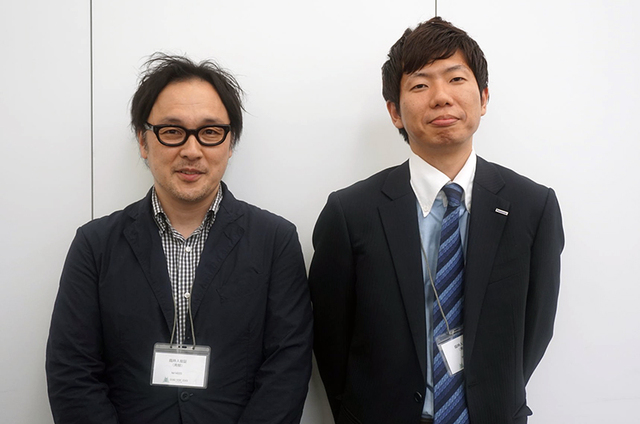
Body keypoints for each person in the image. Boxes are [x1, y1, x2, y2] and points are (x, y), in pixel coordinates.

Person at [308, 17, 564, 424]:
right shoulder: (350, 213)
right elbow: (330, 338)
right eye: (420, 85)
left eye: (456, 79)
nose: (441, 97)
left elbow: (536, 329)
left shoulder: (532, 207)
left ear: (483, 98)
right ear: (395, 112)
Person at [46, 54, 313, 424]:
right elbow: (72, 370)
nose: (191, 150)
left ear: (230, 142)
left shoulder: (275, 241)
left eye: (210, 132)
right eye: (172, 131)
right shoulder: (95, 245)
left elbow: (288, 367)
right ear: (143, 140)